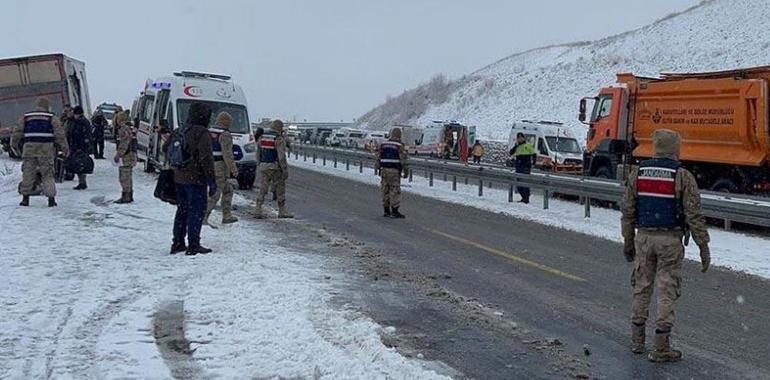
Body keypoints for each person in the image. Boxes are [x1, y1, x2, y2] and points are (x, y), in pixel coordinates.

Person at [621, 129, 711, 363]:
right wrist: (703, 246)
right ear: (674, 149)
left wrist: (628, 242)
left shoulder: (637, 173)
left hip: (644, 238)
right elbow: (694, 214)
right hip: (670, 240)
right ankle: (661, 347)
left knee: (641, 286)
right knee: (666, 289)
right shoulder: (682, 175)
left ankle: (637, 340)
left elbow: (628, 211)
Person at [164, 102, 217, 256]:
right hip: (196, 179)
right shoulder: (202, 133)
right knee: (196, 211)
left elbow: (165, 148)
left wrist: (180, 161)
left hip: (178, 177)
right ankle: (194, 244)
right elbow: (206, 158)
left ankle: (178, 242)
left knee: (182, 210)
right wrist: (211, 181)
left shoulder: (180, 130)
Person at [11, 97, 69, 207]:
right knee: (47, 174)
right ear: (47, 106)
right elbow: (60, 135)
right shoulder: (52, 118)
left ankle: (25, 198)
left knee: (28, 173)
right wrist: (65, 148)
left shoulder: (26, 117)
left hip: (29, 149)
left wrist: (14, 146)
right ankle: (51, 199)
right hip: (46, 149)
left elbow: (17, 132)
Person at [204, 112, 239, 226]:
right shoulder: (225, 135)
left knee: (228, 190)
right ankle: (204, 217)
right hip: (220, 166)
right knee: (215, 193)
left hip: (210, 163)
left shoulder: (210, 131)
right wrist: (233, 168)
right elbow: (227, 153)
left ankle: (227, 215)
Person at [255, 120, 292, 219]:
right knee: (280, 188)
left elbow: (258, 152)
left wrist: (259, 164)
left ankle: (258, 208)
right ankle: (282, 210)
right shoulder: (278, 139)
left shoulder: (262, 137)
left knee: (263, 188)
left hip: (264, 166)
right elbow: (281, 157)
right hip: (275, 167)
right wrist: (284, 170)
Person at [375, 127, 409, 218]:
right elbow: (404, 160)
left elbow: (378, 157)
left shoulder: (383, 144)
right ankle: (394, 211)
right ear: (399, 135)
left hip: (384, 170)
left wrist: (378, 168)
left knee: (385, 189)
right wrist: (406, 171)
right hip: (394, 171)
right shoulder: (399, 145)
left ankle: (386, 210)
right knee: (394, 190)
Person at [67, 106, 93, 190]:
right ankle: (82, 182)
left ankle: (82, 183)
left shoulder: (80, 122)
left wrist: (77, 146)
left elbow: (78, 135)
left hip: (79, 146)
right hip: (82, 146)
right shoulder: (84, 121)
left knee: (79, 164)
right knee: (81, 164)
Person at [114, 116, 137, 203]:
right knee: (128, 176)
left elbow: (124, 143)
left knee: (124, 177)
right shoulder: (130, 128)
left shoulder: (124, 129)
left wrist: (119, 154)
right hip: (131, 155)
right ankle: (129, 195)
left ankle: (126, 196)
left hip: (127, 156)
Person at [509, 132, 536, 203]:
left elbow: (534, 154)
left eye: (521, 137)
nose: (520, 139)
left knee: (525, 183)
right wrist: (516, 146)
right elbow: (511, 153)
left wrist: (533, 162)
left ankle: (526, 198)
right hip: (518, 166)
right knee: (519, 184)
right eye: (518, 138)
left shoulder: (528, 145)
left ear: (524, 138)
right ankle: (523, 197)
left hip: (526, 166)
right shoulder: (517, 146)